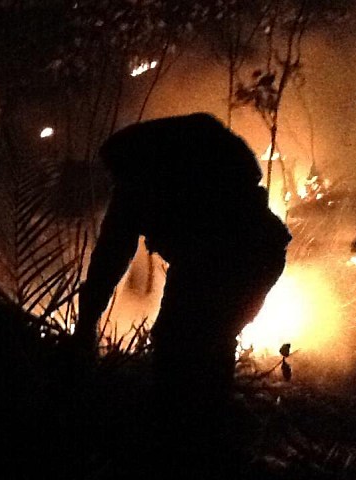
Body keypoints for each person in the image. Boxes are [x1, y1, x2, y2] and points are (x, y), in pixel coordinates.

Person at [75, 113, 291, 397]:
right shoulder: (193, 150)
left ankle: (182, 427)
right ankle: (204, 425)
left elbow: (112, 252)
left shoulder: (140, 174)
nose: (113, 184)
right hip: (260, 256)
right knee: (211, 345)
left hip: (228, 258)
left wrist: (86, 324)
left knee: (178, 347)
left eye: (113, 175)